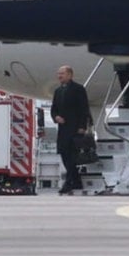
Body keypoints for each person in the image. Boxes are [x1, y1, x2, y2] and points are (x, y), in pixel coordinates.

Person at [51, 64, 91, 195]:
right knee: (64, 154)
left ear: (69, 75)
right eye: (58, 74)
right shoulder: (58, 91)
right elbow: (54, 108)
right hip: (63, 129)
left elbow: (84, 108)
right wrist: (56, 117)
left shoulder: (78, 89)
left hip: (75, 128)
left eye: (61, 73)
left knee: (72, 156)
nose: (59, 76)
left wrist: (82, 126)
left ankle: (68, 183)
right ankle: (76, 180)